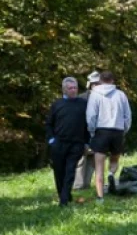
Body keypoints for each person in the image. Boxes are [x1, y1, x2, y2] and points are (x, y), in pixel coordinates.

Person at [86, 71, 132, 204]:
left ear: (99, 80)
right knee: (114, 158)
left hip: (101, 131)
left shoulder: (94, 94)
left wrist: (92, 132)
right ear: (112, 80)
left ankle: (100, 197)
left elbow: (91, 116)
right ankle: (112, 174)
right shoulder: (121, 94)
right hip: (117, 131)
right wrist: (124, 129)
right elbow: (127, 115)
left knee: (99, 165)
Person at [45, 77, 88, 207]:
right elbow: (49, 124)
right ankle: (64, 195)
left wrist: (87, 142)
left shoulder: (83, 103)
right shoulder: (57, 104)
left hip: (76, 143)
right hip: (59, 143)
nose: (73, 90)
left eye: (75, 88)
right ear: (64, 89)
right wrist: (51, 140)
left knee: (70, 170)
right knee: (59, 171)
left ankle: (63, 201)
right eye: (70, 88)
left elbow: (89, 123)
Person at [72, 71, 100, 192]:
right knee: (80, 161)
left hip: (97, 135)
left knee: (92, 161)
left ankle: (86, 185)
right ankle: (78, 186)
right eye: (95, 84)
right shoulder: (81, 99)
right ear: (91, 85)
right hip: (81, 135)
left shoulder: (103, 99)